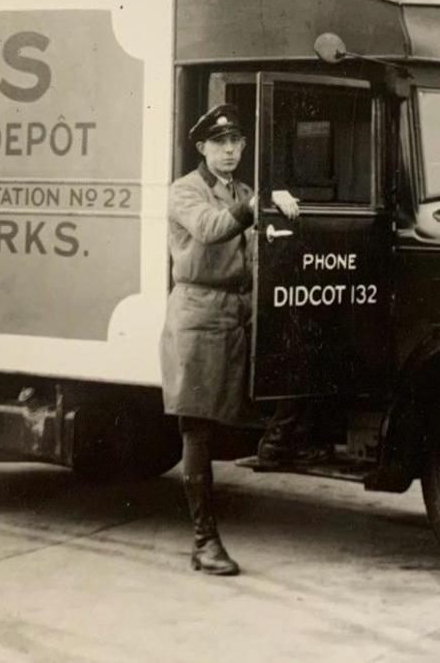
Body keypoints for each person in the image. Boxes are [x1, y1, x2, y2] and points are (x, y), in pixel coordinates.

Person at [159, 103, 303, 576]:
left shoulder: (243, 190)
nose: (229, 150)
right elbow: (211, 228)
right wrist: (258, 205)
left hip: (240, 312)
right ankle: (205, 542)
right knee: (197, 427)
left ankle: (271, 448)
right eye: (219, 143)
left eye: (236, 142)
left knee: (282, 387)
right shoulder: (185, 191)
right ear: (202, 147)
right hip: (200, 314)